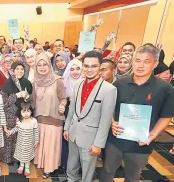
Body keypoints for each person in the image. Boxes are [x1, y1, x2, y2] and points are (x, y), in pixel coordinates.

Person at [100, 44, 174, 182]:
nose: (140, 65)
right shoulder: (119, 84)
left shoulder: (165, 88)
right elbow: (109, 107)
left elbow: (166, 116)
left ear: (155, 64)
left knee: (133, 176)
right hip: (115, 139)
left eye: (146, 61)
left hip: (141, 143)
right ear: (133, 62)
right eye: (137, 60)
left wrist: (152, 135)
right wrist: (111, 122)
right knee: (107, 171)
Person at [63, 51, 117, 182]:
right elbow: (72, 109)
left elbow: (105, 120)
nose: (89, 69)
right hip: (73, 132)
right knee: (71, 164)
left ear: (100, 67)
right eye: (86, 66)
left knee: (87, 169)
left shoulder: (109, 89)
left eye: (94, 66)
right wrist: (67, 128)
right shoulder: (78, 84)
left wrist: (99, 143)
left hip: (91, 137)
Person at [32, 53, 67, 178]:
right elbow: (33, 101)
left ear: (49, 65)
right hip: (40, 119)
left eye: (45, 64)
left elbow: (63, 98)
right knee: (41, 144)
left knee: (50, 145)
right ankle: (41, 164)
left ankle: (49, 168)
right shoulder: (35, 82)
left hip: (54, 119)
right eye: (39, 65)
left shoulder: (58, 81)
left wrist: (62, 105)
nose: (42, 67)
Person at [0, 61, 33, 163]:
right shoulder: (6, 84)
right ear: (12, 71)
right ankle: (8, 159)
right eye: (17, 69)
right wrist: (17, 95)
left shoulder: (27, 83)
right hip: (10, 114)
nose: (19, 71)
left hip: (23, 113)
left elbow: (30, 100)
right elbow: (4, 103)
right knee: (9, 138)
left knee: (21, 138)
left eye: (22, 69)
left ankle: (19, 158)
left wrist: (27, 97)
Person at [7, 102, 39, 176]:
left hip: (29, 143)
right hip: (21, 142)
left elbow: (36, 132)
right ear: (20, 112)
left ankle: (27, 166)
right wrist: (10, 132)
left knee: (27, 155)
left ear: (31, 111)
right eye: (23, 111)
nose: (26, 113)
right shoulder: (19, 121)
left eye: (28, 111)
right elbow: (16, 129)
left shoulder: (34, 121)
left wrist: (36, 141)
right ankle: (21, 166)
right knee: (21, 155)